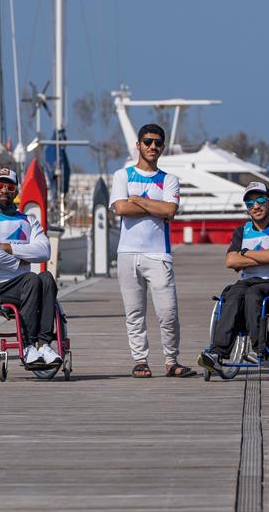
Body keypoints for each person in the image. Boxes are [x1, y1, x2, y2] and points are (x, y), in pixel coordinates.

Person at [110, 123, 195, 378]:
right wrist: (154, 206)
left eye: (158, 143)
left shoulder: (169, 179)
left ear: (163, 147)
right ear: (138, 145)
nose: (152, 147)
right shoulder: (122, 175)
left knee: (168, 313)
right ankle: (140, 360)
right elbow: (121, 209)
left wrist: (136, 199)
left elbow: (170, 211)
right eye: (147, 142)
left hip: (159, 254)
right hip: (127, 253)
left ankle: (171, 360)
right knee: (135, 313)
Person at [0, 168, 60, 367]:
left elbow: (44, 251)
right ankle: (27, 347)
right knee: (33, 279)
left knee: (46, 277)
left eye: (10, 187)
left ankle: (44, 345)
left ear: (16, 192)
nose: (4, 190)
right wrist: (21, 259)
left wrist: (10, 248)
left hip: (27, 285)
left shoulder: (29, 220)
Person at [197, 182, 269, 372]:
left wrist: (245, 253)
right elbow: (230, 261)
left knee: (253, 295)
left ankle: (261, 350)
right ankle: (217, 353)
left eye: (260, 200)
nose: (255, 206)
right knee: (231, 295)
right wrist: (263, 258)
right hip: (246, 281)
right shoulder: (242, 231)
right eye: (250, 203)